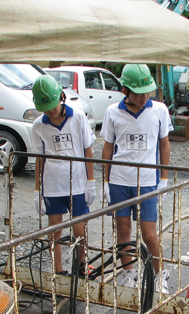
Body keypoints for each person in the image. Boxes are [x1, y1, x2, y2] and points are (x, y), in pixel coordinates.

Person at [101, 64, 172, 294]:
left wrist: (164, 177)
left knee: (149, 233)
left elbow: (164, 144)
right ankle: (128, 274)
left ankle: (158, 275)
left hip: (147, 181)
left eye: (147, 91)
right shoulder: (113, 112)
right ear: (125, 91)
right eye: (138, 92)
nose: (144, 97)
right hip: (120, 180)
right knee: (123, 230)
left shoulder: (159, 110)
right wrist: (105, 180)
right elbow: (108, 147)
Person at [31, 75, 96, 277]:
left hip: (76, 183)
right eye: (46, 108)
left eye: (53, 105)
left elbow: (88, 149)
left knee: (79, 230)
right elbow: (39, 159)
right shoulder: (38, 126)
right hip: (52, 184)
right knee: (55, 231)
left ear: (61, 96)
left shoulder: (77, 117)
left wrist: (91, 181)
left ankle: (81, 265)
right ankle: (58, 271)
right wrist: (37, 190)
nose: (51, 110)